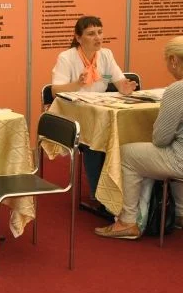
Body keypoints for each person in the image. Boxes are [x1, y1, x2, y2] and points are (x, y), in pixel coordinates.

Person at [95, 36, 183, 239]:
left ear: (173, 60)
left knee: (126, 154)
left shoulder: (177, 90)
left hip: (180, 160)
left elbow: (160, 139)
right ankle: (180, 213)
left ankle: (127, 221)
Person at [51, 16, 137, 205]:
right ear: (78, 38)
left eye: (100, 32)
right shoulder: (67, 57)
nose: (98, 37)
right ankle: (98, 194)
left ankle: (118, 190)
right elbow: (55, 91)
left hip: (98, 110)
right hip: (73, 113)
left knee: (120, 136)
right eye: (91, 34)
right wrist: (77, 83)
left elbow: (119, 82)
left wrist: (126, 87)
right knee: (94, 142)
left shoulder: (106, 54)